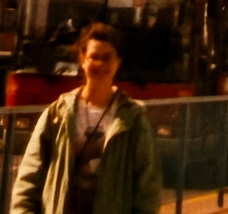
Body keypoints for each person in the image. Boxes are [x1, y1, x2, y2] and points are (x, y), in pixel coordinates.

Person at [11, 22, 161, 214]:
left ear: (118, 62)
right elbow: (29, 179)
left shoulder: (133, 120)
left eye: (107, 58)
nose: (99, 64)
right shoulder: (57, 115)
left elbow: (148, 188)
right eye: (94, 57)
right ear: (82, 60)